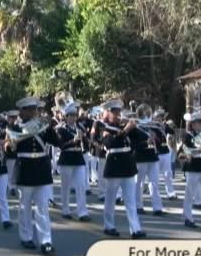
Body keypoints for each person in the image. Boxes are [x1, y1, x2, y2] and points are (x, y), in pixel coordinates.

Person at [5, 96, 61, 255]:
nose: (33, 112)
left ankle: (46, 241)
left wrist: (51, 127)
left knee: (42, 207)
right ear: (22, 112)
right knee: (25, 206)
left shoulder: (43, 126)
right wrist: (10, 145)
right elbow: (9, 151)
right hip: (25, 169)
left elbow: (57, 142)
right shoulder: (13, 128)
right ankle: (26, 237)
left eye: (34, 109)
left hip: (42, 169)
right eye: (29, 109)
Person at [99, 99, 146, 239]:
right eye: (114, 112)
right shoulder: (105, 128)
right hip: (114, 165)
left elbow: (141, 138)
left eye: (119, 111)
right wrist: (126, 129)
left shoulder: (124, 126)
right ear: (108, 113)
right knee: (110, 199)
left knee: (130, 200)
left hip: (128, 166)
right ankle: (109, 226)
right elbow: (110, 143)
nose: (118, 114)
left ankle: (135, 229)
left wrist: (135, 126)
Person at [56, 102, 91, 221]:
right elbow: (61, 145)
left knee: (81, 185)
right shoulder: (61, 129)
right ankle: (65, 210)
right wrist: (73, 140)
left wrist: (84, 140)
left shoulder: (79, 128)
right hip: (66, 158)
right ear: (66, 117)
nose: (73, 118)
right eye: (70, 115)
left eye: (74, 115)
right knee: (65, 186)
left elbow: (85, 144)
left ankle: (82, 212)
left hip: (78, 158)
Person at [134, 104, 165, 216]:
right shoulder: (136, 129)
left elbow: (161, 143)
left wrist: (159, 132)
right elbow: (134, 145)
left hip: (153, 157)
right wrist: (145, 142)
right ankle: (138, 206)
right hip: (140, 158)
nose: (147, 116)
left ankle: (157, 208)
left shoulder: (153, 127)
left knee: (155, 183)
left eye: (148, 114)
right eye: (144, 114)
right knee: (139, 183)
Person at [4, 110, 19, 197]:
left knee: (14, 171)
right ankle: (10, 187)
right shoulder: (6, 127)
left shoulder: (18, 127)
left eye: (14, 118)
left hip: (16, 151)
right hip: (9, 151)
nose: (13, 119)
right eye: (11, 118)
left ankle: (13, 186)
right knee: (10, 170)